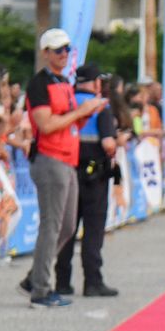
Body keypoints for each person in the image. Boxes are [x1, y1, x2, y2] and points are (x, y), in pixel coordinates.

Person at [19, 28, 101, 309]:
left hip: (67, 158)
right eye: (58, 50)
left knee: (65, 226)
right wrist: (80, 112)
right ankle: (41, 289)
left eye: (66, 48)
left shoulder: (63, 81)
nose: (63, 54)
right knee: (52, 226)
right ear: (45, 53)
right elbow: (46, 125)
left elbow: (65, 122)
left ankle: (36, 277)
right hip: (50, 158)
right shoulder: (39, 84)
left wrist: (84, 113)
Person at [54, 64, 119, 298]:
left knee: (68, 228)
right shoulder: (101, 106)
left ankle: (62, 281)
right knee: (93, 229)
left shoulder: (67, 104)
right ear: (97, 84)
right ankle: (93, 281)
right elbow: (108, 143)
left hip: (68, 171)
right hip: (95, 176)